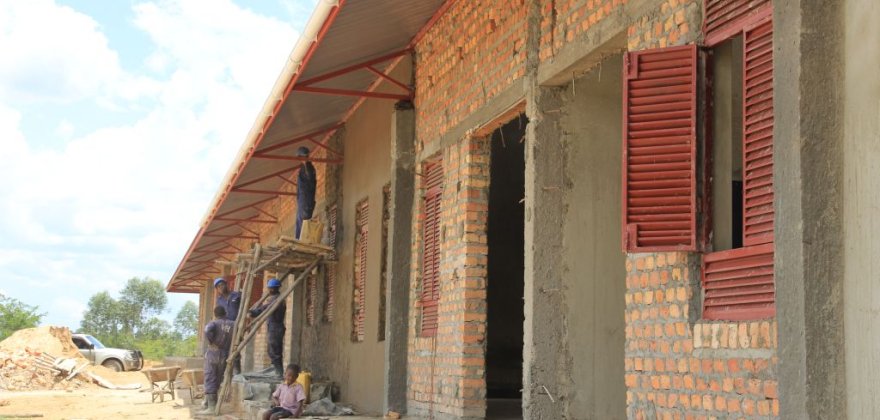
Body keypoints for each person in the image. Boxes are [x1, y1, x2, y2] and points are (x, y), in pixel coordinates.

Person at [199, 305, 234, 414]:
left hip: (213, 352)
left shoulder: (214, 323)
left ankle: (211, 407)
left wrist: (211, 341)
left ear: (215, 314)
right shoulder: (233, 324)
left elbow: (206, 330)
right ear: (225, 313)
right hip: (225, 354)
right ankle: (208, 403)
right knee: (218, 378)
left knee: (210, 377)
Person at [249, 278, 287, 377]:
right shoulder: (274, 298)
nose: (269, 290)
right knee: (272, 349)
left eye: (270, 288)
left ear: (273, 289)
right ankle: (275, 369)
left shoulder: (277, 299)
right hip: (274, 327)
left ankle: (279, 372)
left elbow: (265, 308)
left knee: (275, 350)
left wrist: (253, 313)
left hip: (276, 327)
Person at [214, 277, 242, 375]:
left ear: (226, 285)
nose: (221, 287)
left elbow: (244, 308)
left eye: (222, 284)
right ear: (217, 289)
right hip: (225, 328)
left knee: (235, 348)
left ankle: (237, 371)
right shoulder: (219, 300)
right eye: (218, 286)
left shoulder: (236, 295)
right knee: (225, 348)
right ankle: (226, 372)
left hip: (236, 325)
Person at [295, 146, 317, 239]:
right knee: (299, 223)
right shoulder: (304, 168)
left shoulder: (309, 168)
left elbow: (310, 186)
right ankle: (299, 240)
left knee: (303, 223)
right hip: (303, 201)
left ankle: (300, 241)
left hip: (306, 201)